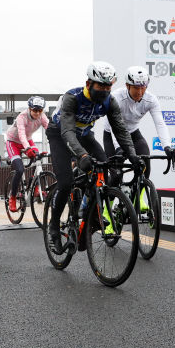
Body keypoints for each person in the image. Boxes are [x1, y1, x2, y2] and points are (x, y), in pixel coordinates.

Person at [46, 62, 142, 250]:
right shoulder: (72, 97)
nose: (105, 90)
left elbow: (121, 130)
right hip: (60, 135)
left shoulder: (109, 101)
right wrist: (81, 155)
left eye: (108, 87)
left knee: (105, 169)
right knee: (65, 184)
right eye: (101, 86)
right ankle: (54, 226)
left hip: (84, 135)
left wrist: (133, 155)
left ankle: (89, 211)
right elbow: (67, 132)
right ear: (89, 83)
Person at [104, 67, 175, 175]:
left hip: (133, 132)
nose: (140, 92)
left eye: (143, 87)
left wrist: (167, 146)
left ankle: (138, 191)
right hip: (112, 134)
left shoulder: (151, 99)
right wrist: (118, 148)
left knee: (145, 167)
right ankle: (114, 191)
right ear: (127, 85)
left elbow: (160, 124)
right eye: (136, 88)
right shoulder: (116, 97)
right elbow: (113, 126)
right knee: (116, 173)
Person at [4, 96, 49, 213]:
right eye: (35, 110)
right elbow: (21, 135)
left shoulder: (42, 116)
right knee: (19, 169)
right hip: (13, 141)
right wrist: (27, 149)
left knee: (38, 158)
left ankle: (36, 188)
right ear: (29, 108)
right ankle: (12, 197)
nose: (38, 113)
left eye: (40, 110)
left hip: (28, 140)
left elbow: (50, 129)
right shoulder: (22, 117)